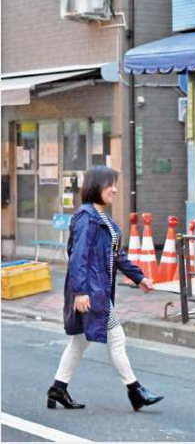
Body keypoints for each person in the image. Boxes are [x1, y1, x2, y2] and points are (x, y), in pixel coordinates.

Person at [47, 166, 164, 412]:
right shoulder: (86, 217)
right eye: (109, 184)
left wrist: (139, 277)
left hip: (97, 290)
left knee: (79, 342)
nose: (114, 189)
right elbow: (78, 256)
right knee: (116, 337)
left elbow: (117, 255)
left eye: (115, 184)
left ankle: (58, 388)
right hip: (91, 290)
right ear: (95, 186)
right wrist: (80, 291)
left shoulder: (103, 219)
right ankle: (135, 391)